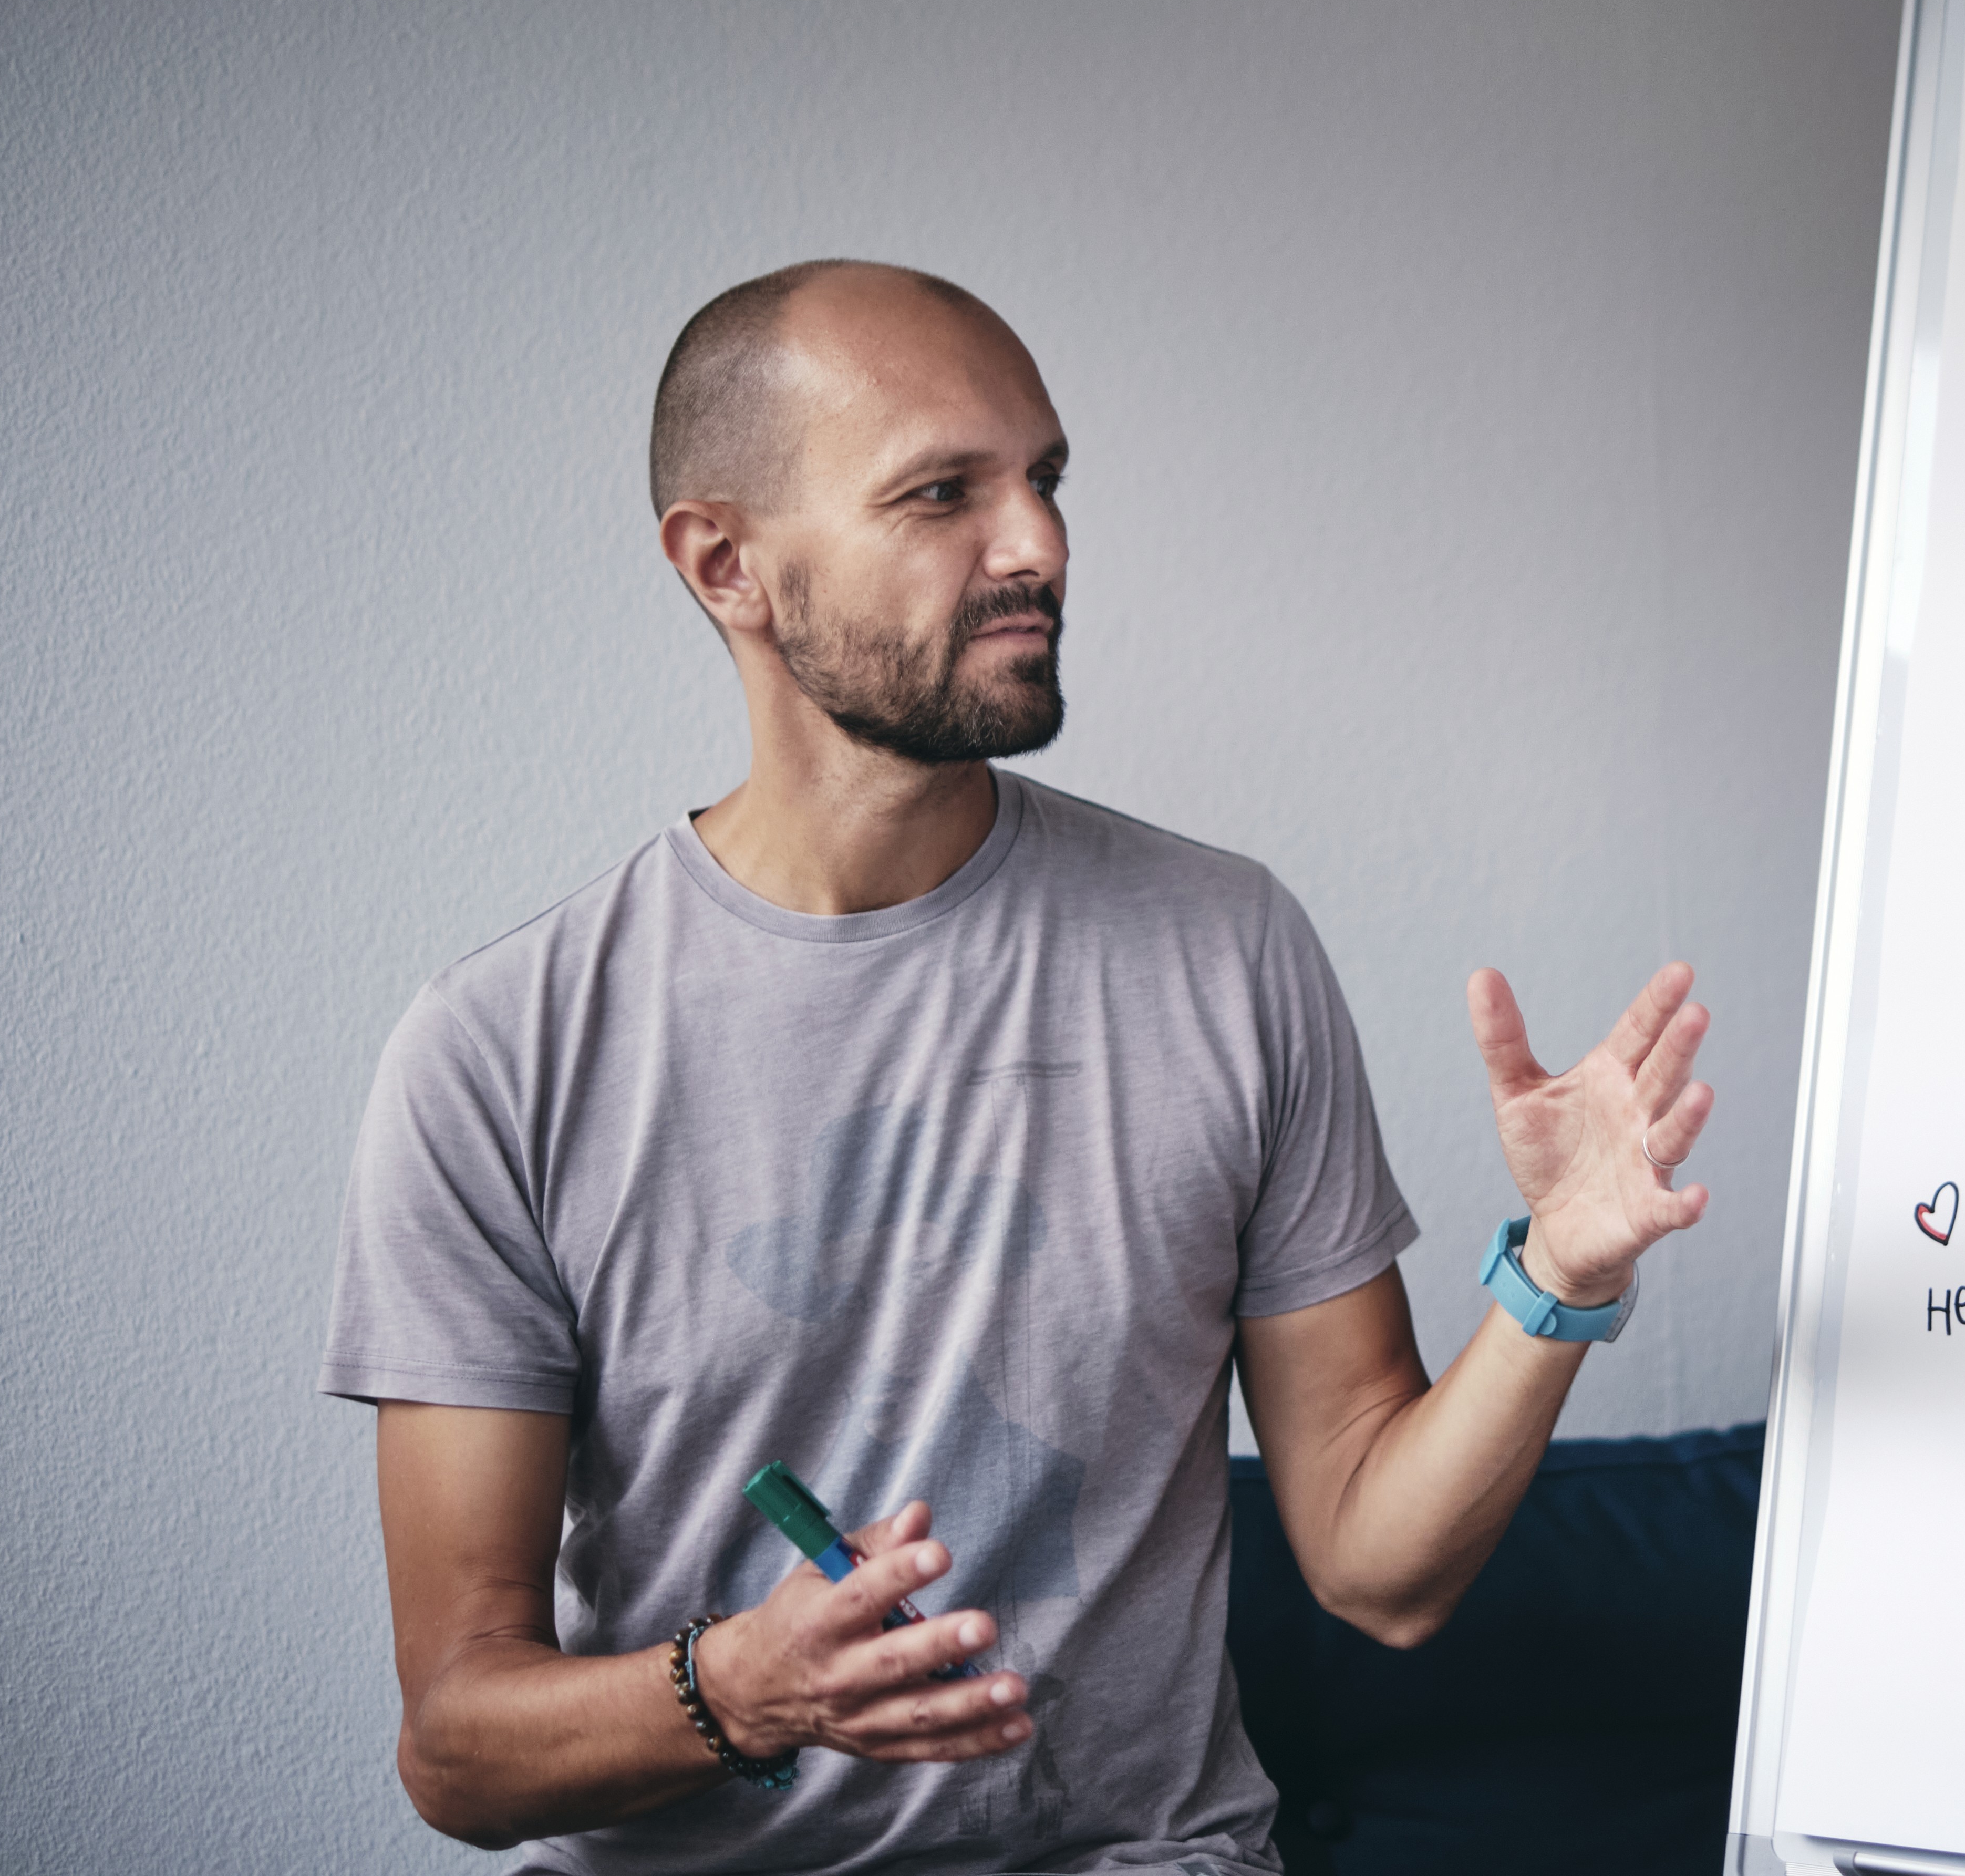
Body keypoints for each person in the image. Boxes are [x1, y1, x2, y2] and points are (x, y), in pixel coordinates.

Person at [318, 260, 1716, 1873]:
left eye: (1044, 481)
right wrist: (746, 1691)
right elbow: (460, 1753)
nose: (1039, 545)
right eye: (941, 494)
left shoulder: (1227, 949)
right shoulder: (500, 1056)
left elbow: (1377, 1569)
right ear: (728, 566)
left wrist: (1556, 1278)